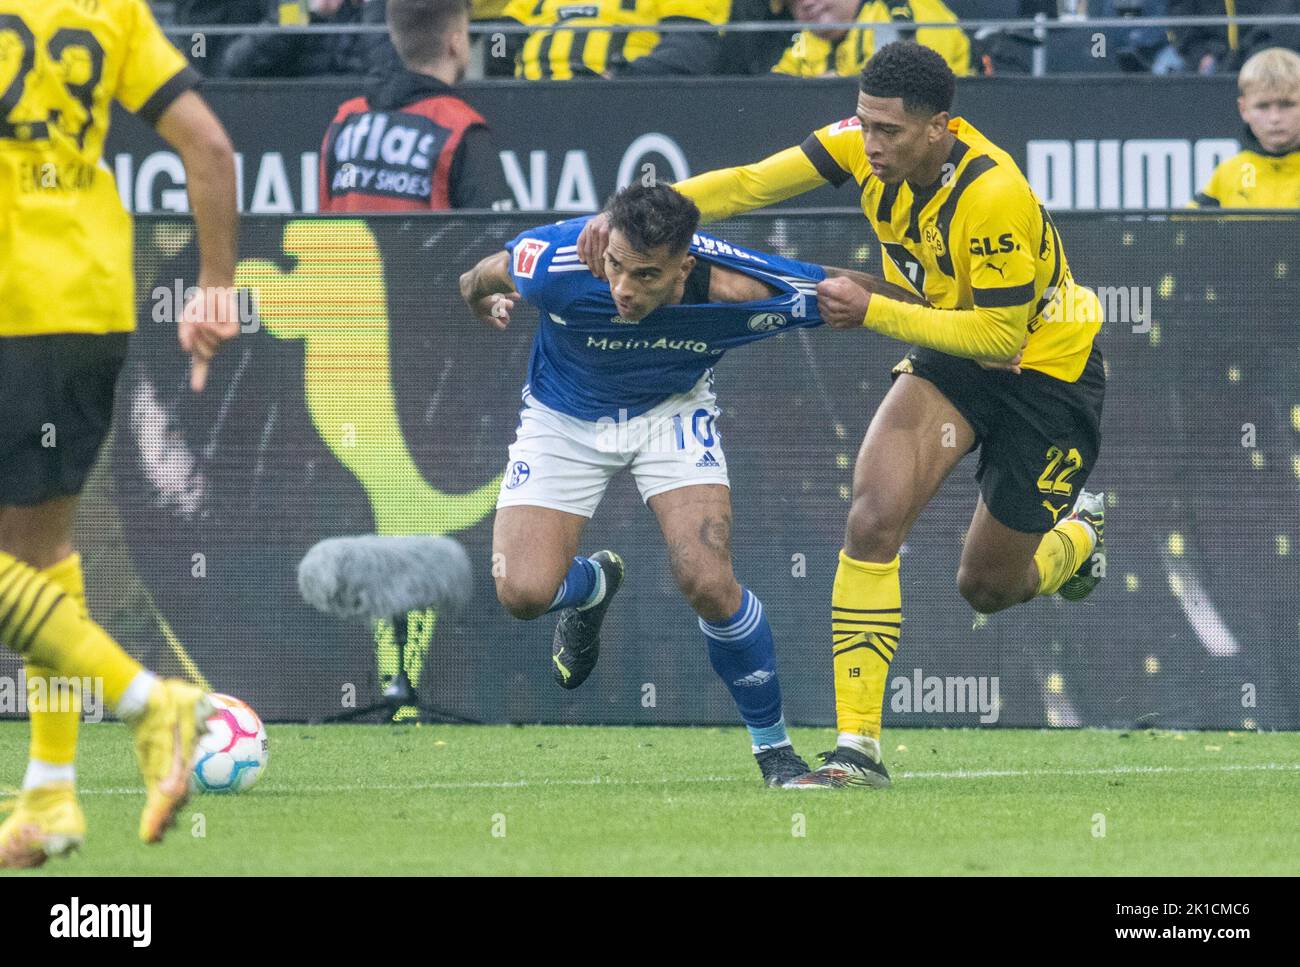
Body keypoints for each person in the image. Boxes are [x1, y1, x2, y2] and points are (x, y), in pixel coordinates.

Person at [578, 41, 1107, 789]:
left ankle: (1080, 535)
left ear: (940, 129)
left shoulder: (993, 195)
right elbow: (751, 184)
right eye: (864, 123)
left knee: (987, 585)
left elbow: (1001, 339)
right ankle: (857, 749)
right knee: (870, 517)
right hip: (947, 343)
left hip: (1044, 372)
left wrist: (875, 309)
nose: (871, 143)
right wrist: (632, 218)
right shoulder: (860, 146)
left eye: (888, 130)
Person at [460, 183, 919, 786]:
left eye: (647, 275)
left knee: (705, 579)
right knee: (520, 593)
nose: (624, 288)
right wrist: (482, 303)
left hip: (670, 414)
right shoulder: (555, 262)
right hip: (561, 417)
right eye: (616, 267)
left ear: (686, 268)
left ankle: (775, 754)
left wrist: (967, 323)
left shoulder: (745, 290)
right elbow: (478, 276)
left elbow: (849, 289)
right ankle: (593, 586)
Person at [0, 0, 240, 865]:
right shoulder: (108, 10)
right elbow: (209, 147)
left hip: (11, 301)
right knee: (39, 555)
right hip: (89, 305)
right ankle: (52, 792)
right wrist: (216, 284)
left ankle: (149, 702)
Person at [319, 0, 506, 211]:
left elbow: (325, 227)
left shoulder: (345, 120)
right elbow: (495, 233)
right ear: (455, 42)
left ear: (395, 39)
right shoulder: (462, 127)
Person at [490, 0, 729, 79]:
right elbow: (499, 45)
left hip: (622, 108)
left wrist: (619, 78)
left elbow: (691, 48)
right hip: (531, 109)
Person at [1192, 47, 1300, 208]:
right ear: (1243, 109)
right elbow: (1180, 231)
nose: (1275, 118)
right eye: (1262, 106)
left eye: (1287, 104)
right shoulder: (1228, 173)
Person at [773, 0, 970, 78]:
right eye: (792, 2)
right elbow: (774, 89)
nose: (806, 3)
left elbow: (911, 92)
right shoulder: (810, 38)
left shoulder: (898, 11)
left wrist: (834, 91)